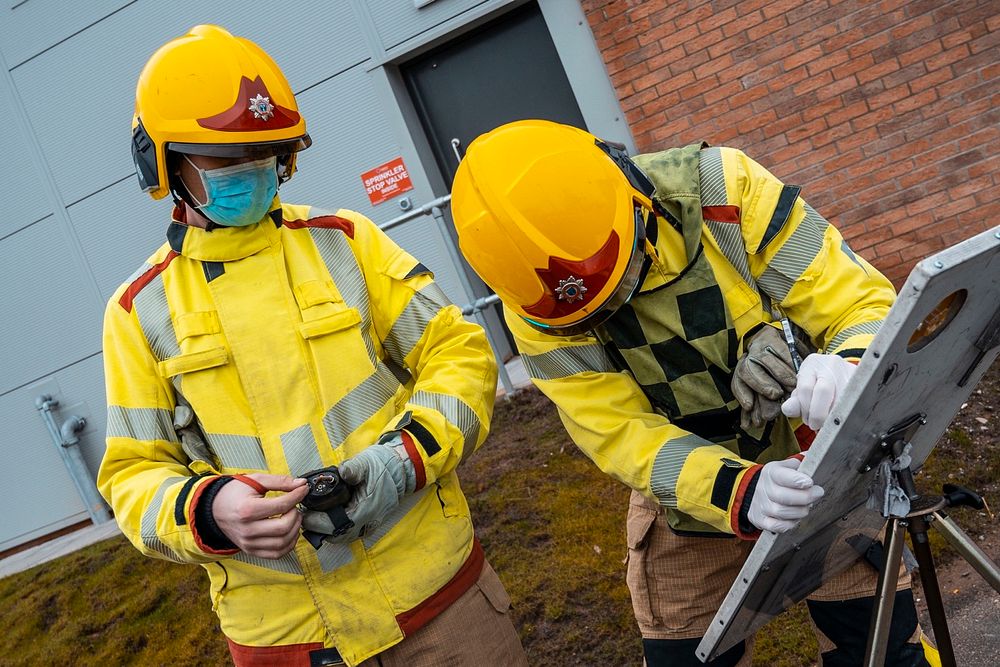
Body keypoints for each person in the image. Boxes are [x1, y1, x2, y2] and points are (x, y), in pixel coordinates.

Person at [98, 25, 527, 667]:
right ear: (161, 162)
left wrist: (402, 461)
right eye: (221, 161)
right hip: (292, 639)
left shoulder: (346, 242)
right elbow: (132, 476)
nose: (253, 172)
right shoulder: (138, 311)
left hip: (440, 604)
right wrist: (210, 511)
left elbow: (457, 353)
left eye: (266, 153)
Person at [450, 119, 936, 666]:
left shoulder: (722, 189)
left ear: (634, 195)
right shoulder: (537, 309)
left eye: (624, 281)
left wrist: (847, 365)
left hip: (814, 460)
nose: (621, 312)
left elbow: (856, 302)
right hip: (687, 494)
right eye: (599, 313)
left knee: (880, 650)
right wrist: (737, 490)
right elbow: (621, 432)